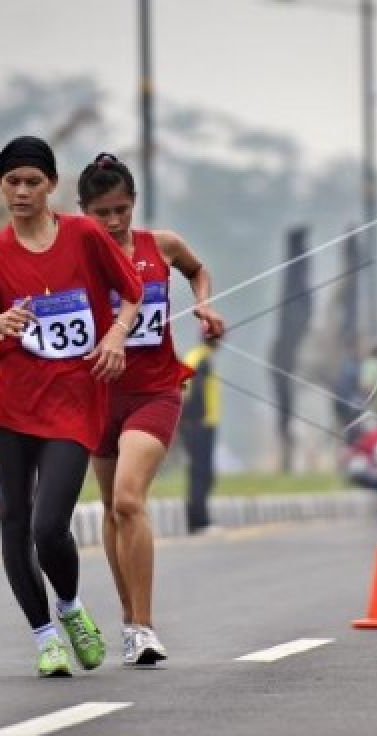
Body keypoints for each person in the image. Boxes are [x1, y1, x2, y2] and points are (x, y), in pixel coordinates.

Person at [0, 136, 143, 678]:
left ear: (52, 185)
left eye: (33, 181)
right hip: (10, 406)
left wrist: (116, 338)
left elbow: (132, 293)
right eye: (13, 182)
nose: (23, 191)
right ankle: (45, 638)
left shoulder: (82, 236)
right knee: (14, 524)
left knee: (49, 525)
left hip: (73, 403)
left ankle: (72, 608)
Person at [77, 152, 224, 666]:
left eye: (122, 209)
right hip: (97, 394)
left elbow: (197, 270)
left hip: (155, 390)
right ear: (83, 212)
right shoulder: (74, 254)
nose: (115, 221)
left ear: (133, 203)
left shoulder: (160, 246)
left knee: (128, 499)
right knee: (112, 510)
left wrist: (203, 303)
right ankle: (127, 619)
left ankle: (145, 625)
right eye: (102, 212)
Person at [181, 334, 222, 533]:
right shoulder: (199, 359)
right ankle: (199, 521)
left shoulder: (202, 357)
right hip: (198, 425)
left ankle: (199, 519)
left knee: (205, 473)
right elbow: (188, 394)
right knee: (200, 473)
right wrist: (193, 420)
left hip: (204, 425)